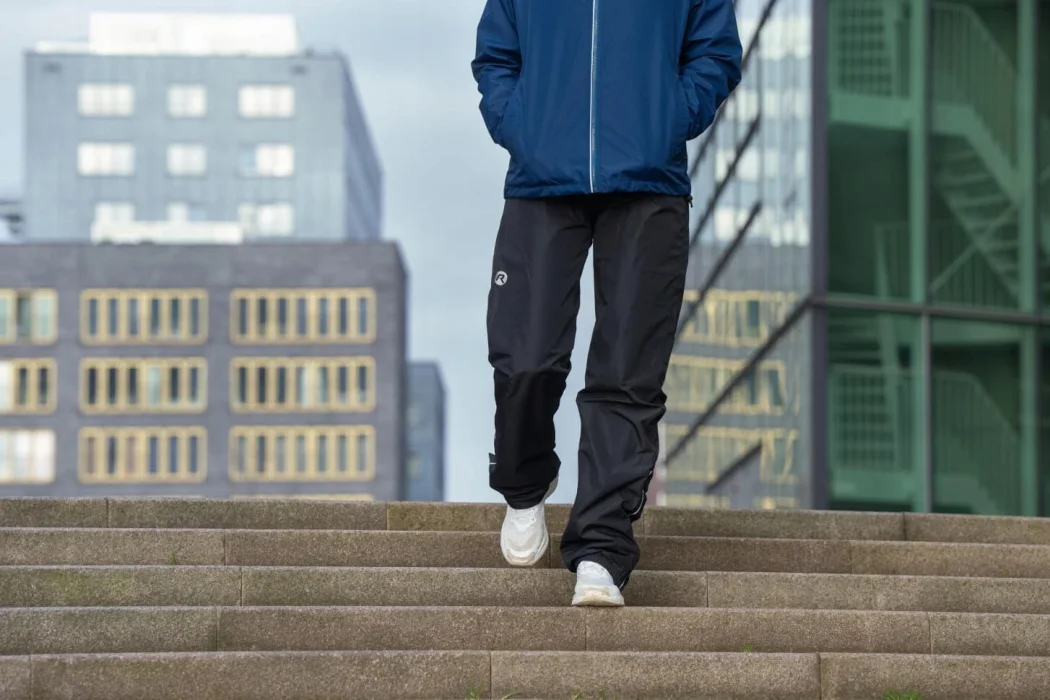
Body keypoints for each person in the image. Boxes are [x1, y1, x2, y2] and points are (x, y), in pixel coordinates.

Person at [472, 0, 742, 606]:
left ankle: (601, 547)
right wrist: (521, 124)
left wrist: (669, 117)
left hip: (649, 182)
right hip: (542, 179)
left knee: (628, 371)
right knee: (525, 356)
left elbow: (715, 49)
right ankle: (524, 483)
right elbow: (496, 53)